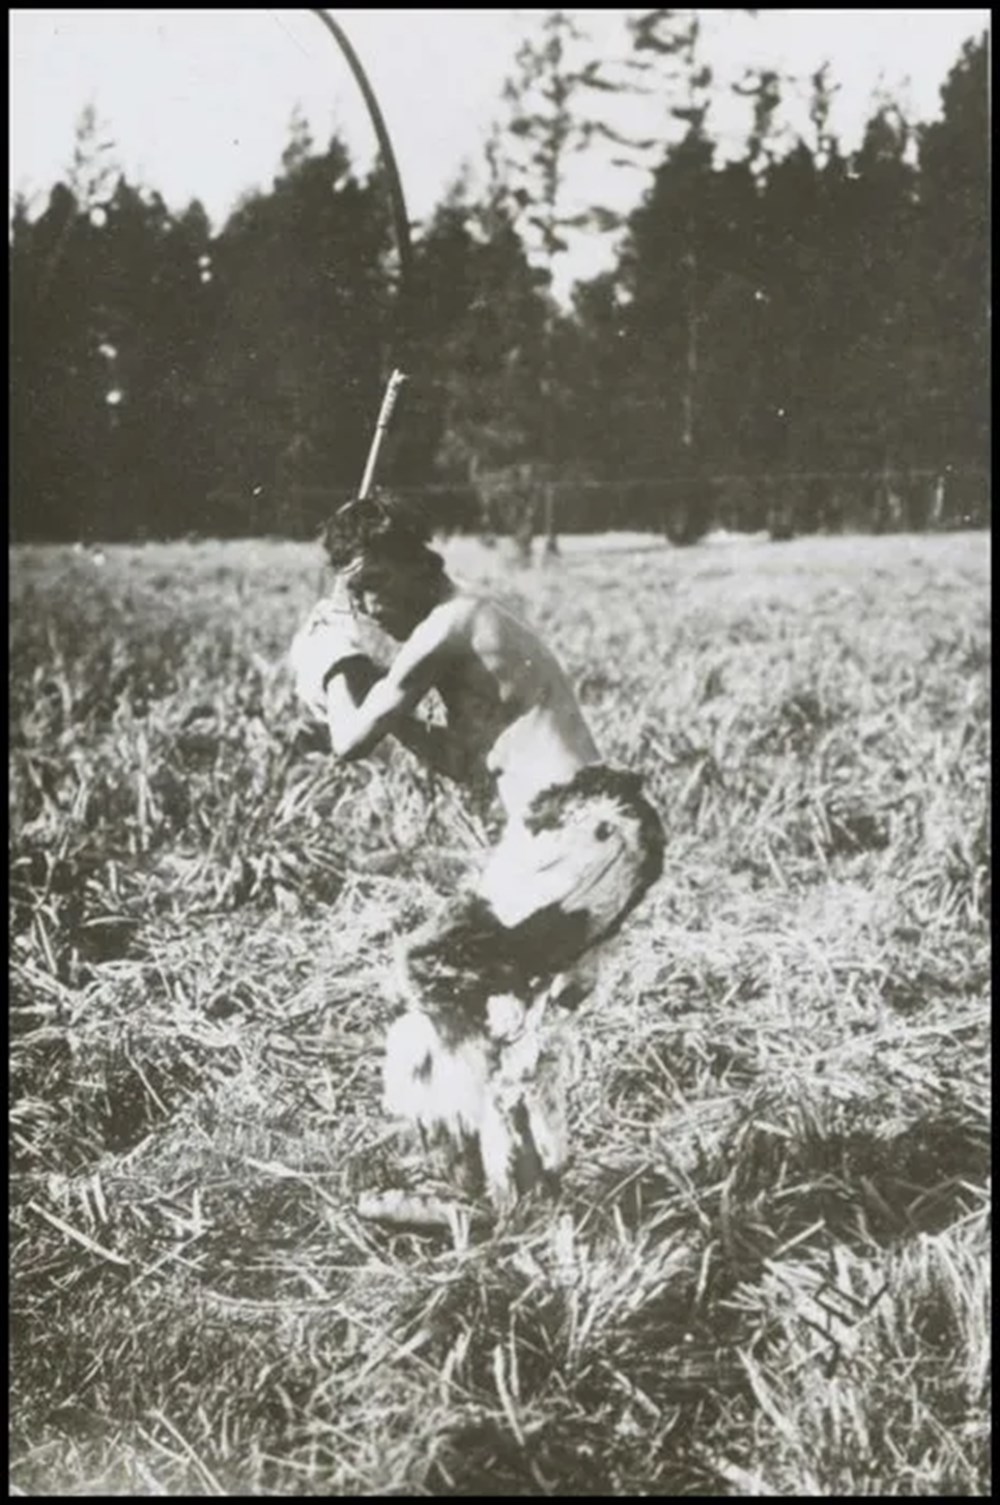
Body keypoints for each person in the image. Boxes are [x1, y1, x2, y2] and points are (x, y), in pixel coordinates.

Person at [290, 491, 664, 1217]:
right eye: (354, 591)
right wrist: (363, 686)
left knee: (436, 968)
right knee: (485, 996)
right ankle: (505, 1192)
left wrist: (333, 657)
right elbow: (458, 761)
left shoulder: (452, 622)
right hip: (588, 834)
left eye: (375, 582)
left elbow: (349, 740)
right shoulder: (464, 636)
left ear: (415, 562)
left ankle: (469, 1189)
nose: (367, 604)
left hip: (585, 828)